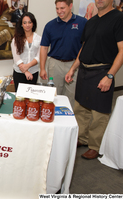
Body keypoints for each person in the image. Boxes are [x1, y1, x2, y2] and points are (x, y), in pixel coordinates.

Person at [65, 0, 123, 159]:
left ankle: (95, 146)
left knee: (99, 113)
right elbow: (84, 47)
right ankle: (82, 139)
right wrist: (73, 68)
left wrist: (110, 76)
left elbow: (122, 50)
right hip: (84, 70)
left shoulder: (118, 18)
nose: (99, 0)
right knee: (80, 109)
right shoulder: (90, 22)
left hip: (103, 71)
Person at [39, 0, 87, 108]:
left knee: (72, 95)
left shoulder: (82, 22)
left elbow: (86, 45)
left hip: (74, 65)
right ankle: (53, 117)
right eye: (57, 8)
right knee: (54, 94)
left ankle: (68, 119)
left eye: (62, 8)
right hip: (55, 64)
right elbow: (44, 47)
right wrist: (42, 68)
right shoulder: (50, 25)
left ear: (70, 6)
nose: (59, 11)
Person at [11, 12, 41, 91]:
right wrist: (26, 71)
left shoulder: (39, 38)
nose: (27, 25)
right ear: (21, 24)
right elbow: (16, 58)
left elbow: (39, 56)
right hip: (19, 73)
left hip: (34, 73)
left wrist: (27, 66)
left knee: (31, 98)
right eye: (25, 23)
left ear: (33, 23)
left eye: (29, 22)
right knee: (20, 98)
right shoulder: (16, 39)